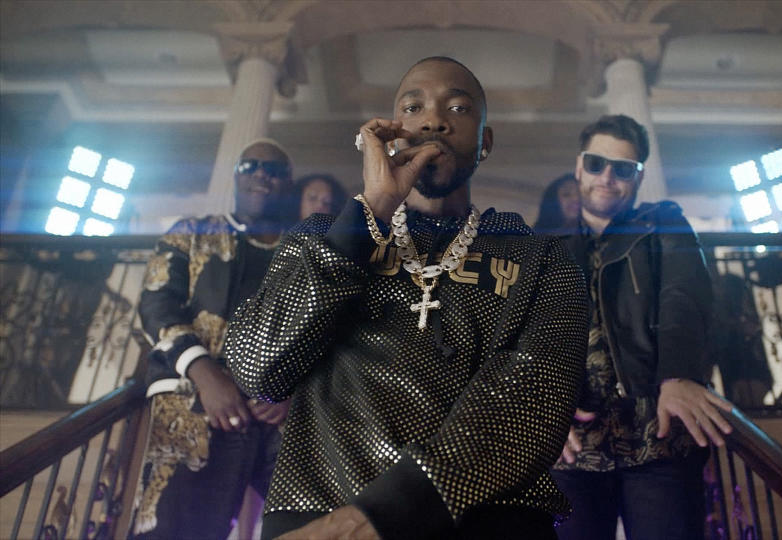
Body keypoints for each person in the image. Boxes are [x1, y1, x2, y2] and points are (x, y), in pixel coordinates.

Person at [223, 57, 589, 540]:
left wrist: (381, 514)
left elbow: (529, 402)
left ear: (486, 143)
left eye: (458, 108)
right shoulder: (321, 238)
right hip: (317, 510)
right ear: (392, 131)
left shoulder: (543, 259)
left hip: (488, 520)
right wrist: (369, 212)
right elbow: (258, 367)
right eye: (413, 106)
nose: (434, 119)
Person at [550, 115, 734, 540]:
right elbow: (526, 337)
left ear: (639, 176)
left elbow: (684, 297)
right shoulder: (547, 251)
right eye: (596, 164)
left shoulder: (662, 223)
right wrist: (541, 409)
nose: (607, 177)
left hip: (658, 436)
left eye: (623, 168)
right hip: (574, 447)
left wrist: (679, 373)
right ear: (579, 166)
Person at [135, 138, 297, 539]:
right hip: (193, 402)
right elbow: (156, 303)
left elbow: (323, 329)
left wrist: (294, 390)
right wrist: (205, 373)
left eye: (274, 171)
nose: (262, 174)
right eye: (251, 166)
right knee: (177, 529)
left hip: (276, 416)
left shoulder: (302, 252)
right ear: (237, 177)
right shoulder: (192, 232)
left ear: (286, 185)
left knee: (312, 523)